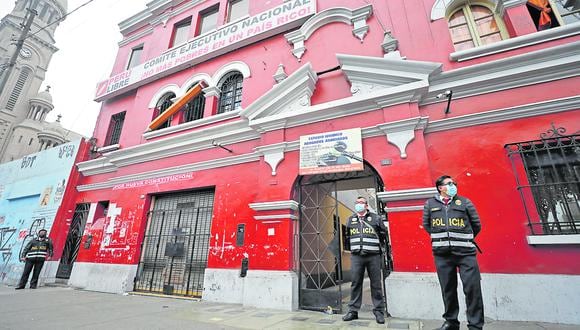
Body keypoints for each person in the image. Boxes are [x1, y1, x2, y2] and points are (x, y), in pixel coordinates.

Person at [422, 175, 484, 330]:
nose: (453, 186)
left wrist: (463, 239)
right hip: (442, 255)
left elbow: (476, 225)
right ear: (440, 188)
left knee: (472, 289)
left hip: (466, 254)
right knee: (447, 290)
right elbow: (427, 225)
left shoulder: (465, 202)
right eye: (449, 183)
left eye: (454, 183)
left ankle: (475, 325)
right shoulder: (430, 204)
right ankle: (451, 322)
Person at [342, 196, 388, 324]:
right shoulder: (351, 220)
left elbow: (383, 234)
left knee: (376, 284)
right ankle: (353, 311)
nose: (359, 205)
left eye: (361, 203)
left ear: (366, 206)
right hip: (356, 256)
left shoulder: (376, 218)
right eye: (357, 203)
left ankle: (379, 311)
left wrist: (379, 249)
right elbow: (347, 237)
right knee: (356, 283)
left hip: (373, 255)